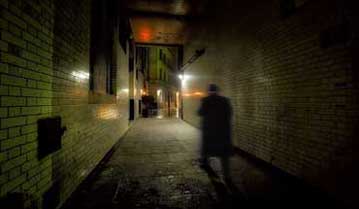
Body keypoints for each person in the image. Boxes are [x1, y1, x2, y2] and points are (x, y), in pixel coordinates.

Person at [198, 84, 233, 180]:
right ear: (217, 91)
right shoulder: (225, 101)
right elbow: (229, 114)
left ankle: (206, 165)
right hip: (223, 131)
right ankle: (226, 175)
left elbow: (200, 113)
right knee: (224, 154)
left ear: (209, 91)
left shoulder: (205, 100)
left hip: (209, 131)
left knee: (206, 149)